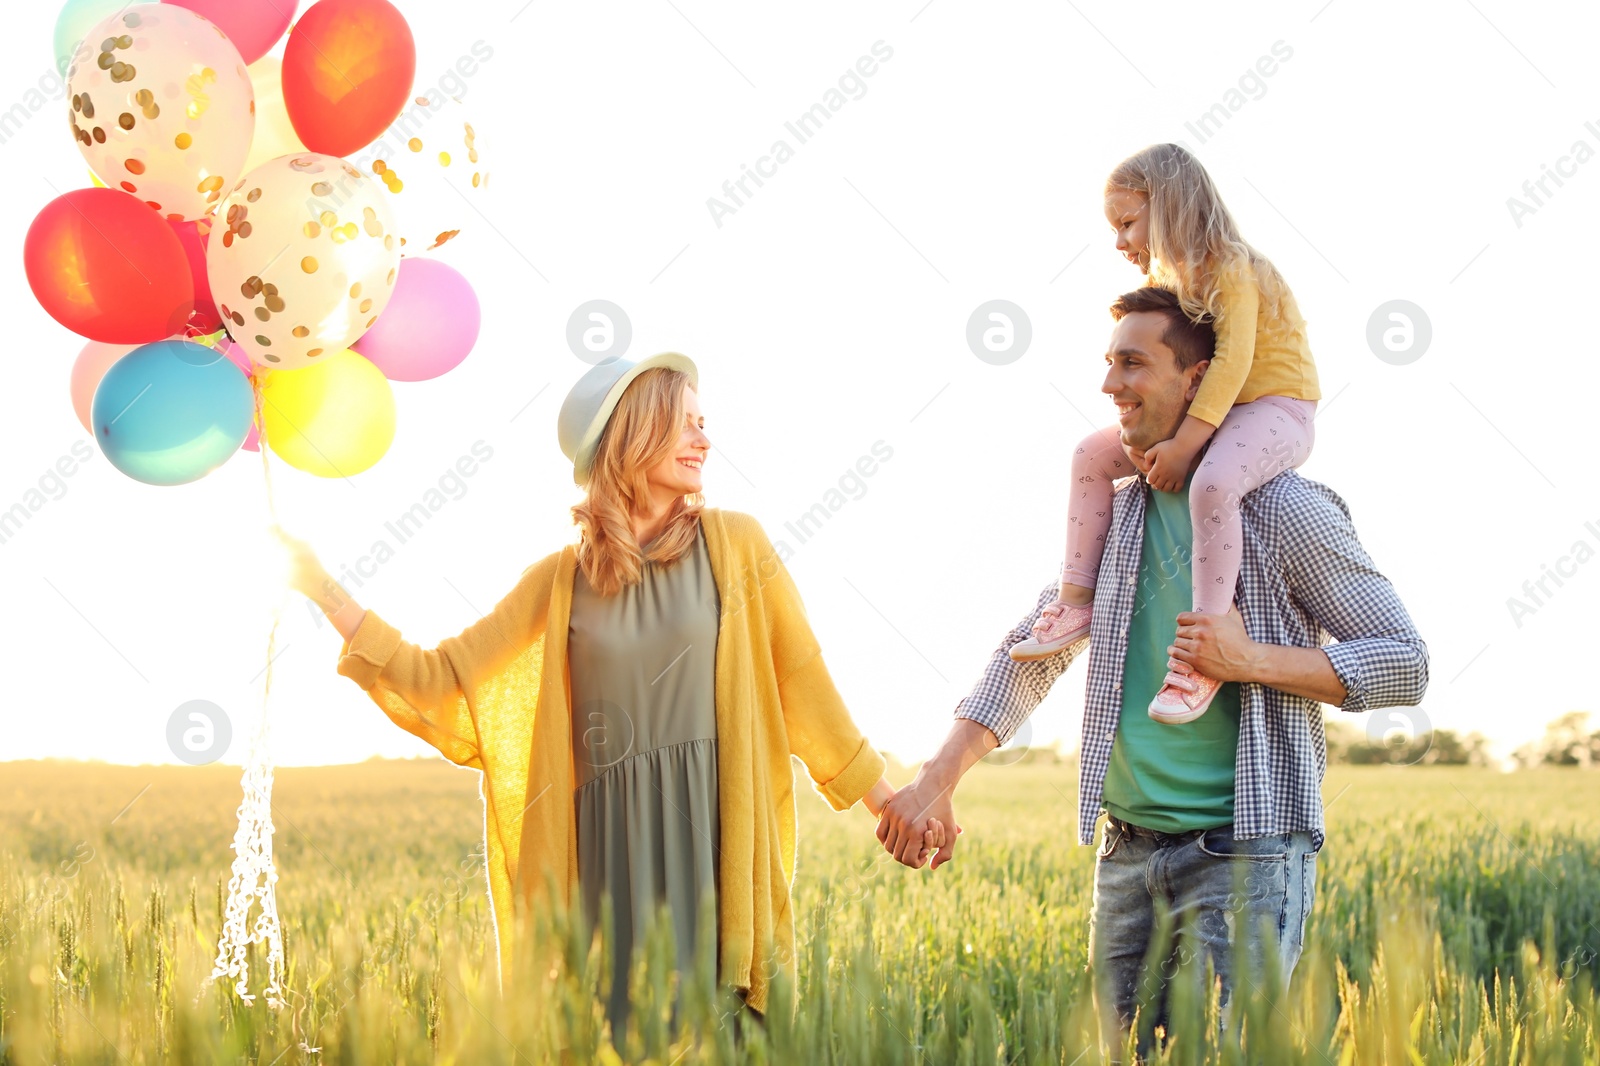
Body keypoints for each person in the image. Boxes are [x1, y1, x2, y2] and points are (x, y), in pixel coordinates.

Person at [273, 352, 943, 1042]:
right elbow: (441, 682)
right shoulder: (557, 582)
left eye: (704, 424)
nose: (705, 441)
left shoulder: (736, 545)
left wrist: (892, 805)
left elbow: (804, 688)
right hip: (606, 866)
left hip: (713, 850)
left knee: (729, 1038)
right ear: (631, 434)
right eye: (685, 424)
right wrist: (322, 587)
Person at [876, 286, 1428, 1057]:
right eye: (1108, 364)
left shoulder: (1284, 510)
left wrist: (1247, 661)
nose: (1110, 385)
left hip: (1245, 861)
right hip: (1126, 857)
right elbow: (1030, 652)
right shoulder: (1119, 507)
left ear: (1198, 378)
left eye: (1133, 363)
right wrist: (933, 780)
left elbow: (1404, 663)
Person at [1009, 143, 1322, 728]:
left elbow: (1230, 363)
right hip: (1215, 413)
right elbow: (1177, 371)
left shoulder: (1231, 265)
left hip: (1277, 406)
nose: (1121, 242)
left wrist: (1180, 445)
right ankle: (1076, 602)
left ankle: (1205, 647)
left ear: (1169, 206)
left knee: (1213, 483)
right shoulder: (1169, 280)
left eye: (1127, 223)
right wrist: (1145, 436)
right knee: (1090, 456)